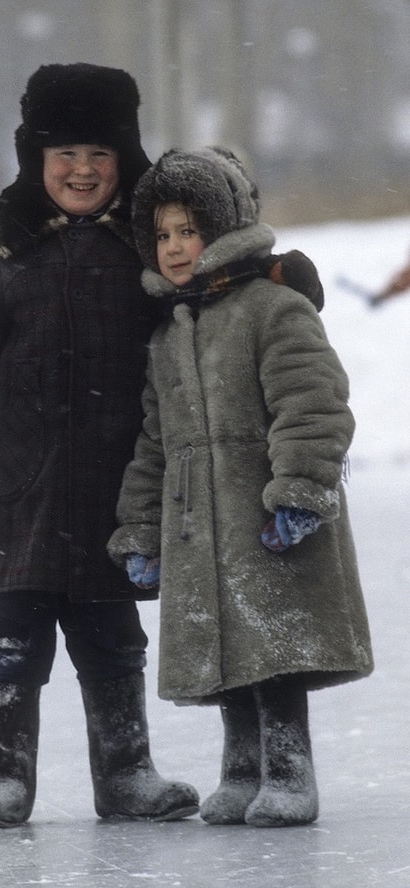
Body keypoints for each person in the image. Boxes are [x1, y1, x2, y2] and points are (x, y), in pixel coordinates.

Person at [0, 63, 201, 828]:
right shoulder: (8, 246)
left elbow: (210, 288)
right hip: (18, 485)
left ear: (124, 157)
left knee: (111, 641)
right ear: (36, 159)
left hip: (112, 485)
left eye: (99, 154)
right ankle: (2, 777)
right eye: (65, 155)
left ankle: (126, 772)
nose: (83, 170)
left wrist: (282, 274)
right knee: (9, 641)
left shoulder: (145, 243)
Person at [107, 147, 374, 828]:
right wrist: (141, 528)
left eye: (188, 231)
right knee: (228, 653)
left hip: (265, 519)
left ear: (221, 230)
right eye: (162, 235)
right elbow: (153, 444)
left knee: (275, 648)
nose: (173, 248)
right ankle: (242, 767)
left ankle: (290, 771)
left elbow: (313, 405)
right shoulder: (169, 333)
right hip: (200, 527)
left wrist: (299, 492)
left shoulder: (272, 309)